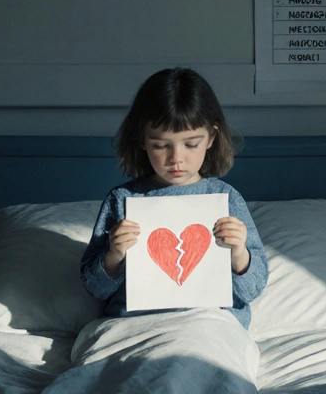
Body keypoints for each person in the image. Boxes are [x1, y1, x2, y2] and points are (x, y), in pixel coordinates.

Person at [78, 67, 269, 328]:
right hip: (135, 326)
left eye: (191, 144)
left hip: (210, 325)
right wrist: (113, 255)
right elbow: (95, 288)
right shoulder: (122, 200)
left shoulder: (226, 198)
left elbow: (253, 289)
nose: (176, 158)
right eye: (160, 145)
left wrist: (239, 254)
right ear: (142, 140)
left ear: (211, 137)